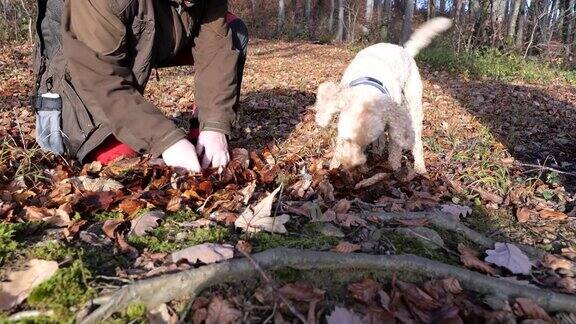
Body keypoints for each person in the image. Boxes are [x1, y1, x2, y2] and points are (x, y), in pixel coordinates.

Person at [36, 0, 248, 172]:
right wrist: (166, 139)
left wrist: (214, 125)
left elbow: (217, 51)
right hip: (82, 68)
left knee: (233, 31)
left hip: (156, 38)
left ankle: (199, 139)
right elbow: (101, 80)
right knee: (120, 158)